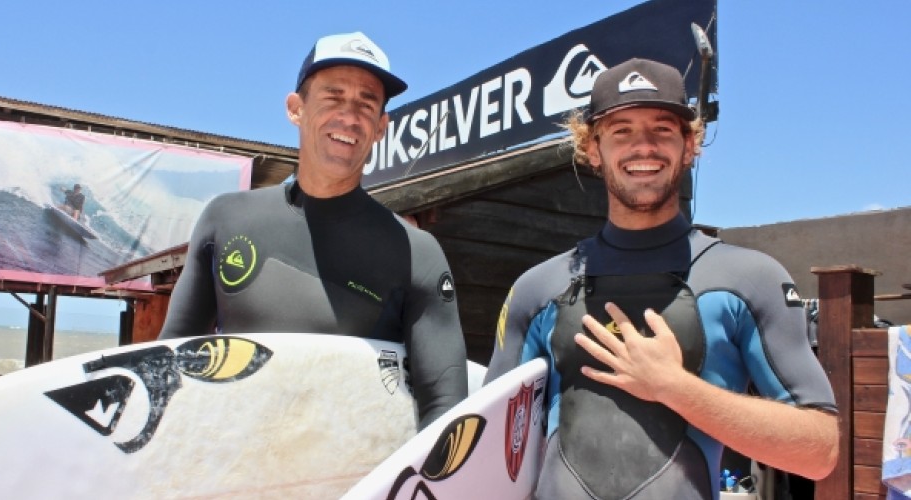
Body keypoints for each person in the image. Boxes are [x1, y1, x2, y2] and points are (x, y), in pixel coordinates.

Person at [484, 58, 839, 499]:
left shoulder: (750, 280)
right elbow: (488, 451)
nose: (644, 146)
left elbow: (819, 451)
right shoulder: (537, 290)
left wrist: (675, 387)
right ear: (593, 148)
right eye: (621, 131)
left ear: (690, 146)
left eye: (663, 129)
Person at [158, 31, 467, 429]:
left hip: (357, 467)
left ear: (380, 127)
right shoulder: (225, 219)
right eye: (333, 97)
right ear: (296, 109)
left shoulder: (417, 254)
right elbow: (167, 370)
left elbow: (446, 408)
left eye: (366, 104)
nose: (349, 117)